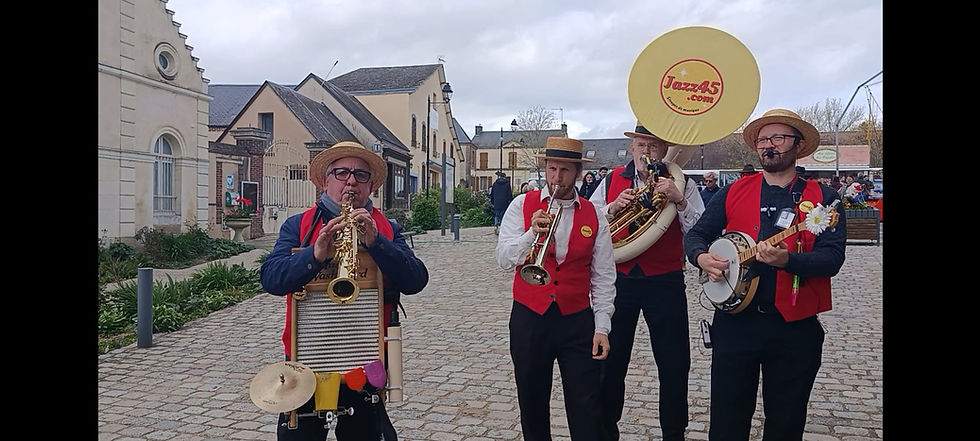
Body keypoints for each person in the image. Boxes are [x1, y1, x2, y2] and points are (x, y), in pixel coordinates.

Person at [684, 109, 846, 441]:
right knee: (726, 424)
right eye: (762, 140)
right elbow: (696, 234)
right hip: (735, 325)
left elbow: (832, 259)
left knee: (786, 425)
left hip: (794, 328)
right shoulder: (733, 191)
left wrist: (789, 261)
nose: (768, 145)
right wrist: (702, 258)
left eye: (778, 138)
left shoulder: (825, 200)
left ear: (797, 145)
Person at [259, 140, 430, 441]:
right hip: (307, 361)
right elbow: (271, 279)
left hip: (365, 362)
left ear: (371, 186)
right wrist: (314, 255)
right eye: (341, 173)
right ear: (325, 182)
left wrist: (377, 244)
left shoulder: (387, 229)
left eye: (361, 175)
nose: (351, 181)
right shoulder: (298, 226)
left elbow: (416, 280)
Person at [496, 136, 616, 441]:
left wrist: (602, 327)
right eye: (552, 169)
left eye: (564, 170)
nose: (556, 178)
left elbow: (603, 276)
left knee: (586, 405)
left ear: (577, 173)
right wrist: (529, 235)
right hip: (530, 316)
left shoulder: (594, 214)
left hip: (576, 319)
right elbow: (503, 258)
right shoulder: (521, 205)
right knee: (532, 402)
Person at [590, 123, 705, 441]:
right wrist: (612, 207)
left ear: (664, 150)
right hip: (620, 279)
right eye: (641, 144)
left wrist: (679, 200)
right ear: (632, 147)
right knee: (611, 361)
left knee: (674, 362)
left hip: (665, 280)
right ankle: (606, 430)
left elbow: (700, 230)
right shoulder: (611, 180)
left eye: (653, 145)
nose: (647, 151)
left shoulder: (683, 183)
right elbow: (589, 221)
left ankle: (674, 432)